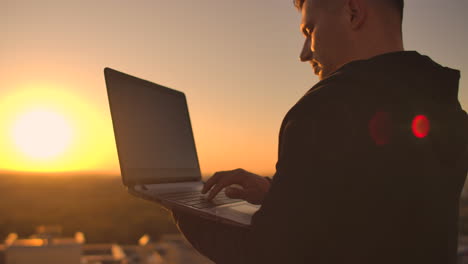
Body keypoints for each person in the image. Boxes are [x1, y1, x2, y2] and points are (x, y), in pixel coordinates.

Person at [172, 0, 468, 263]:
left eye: (308, 30)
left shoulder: (325, 108)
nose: (304, 53)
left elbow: (264, 254)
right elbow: (381, 215)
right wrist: (281, 195)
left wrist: (181, 205)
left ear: (353, 12)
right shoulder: (448, 111)